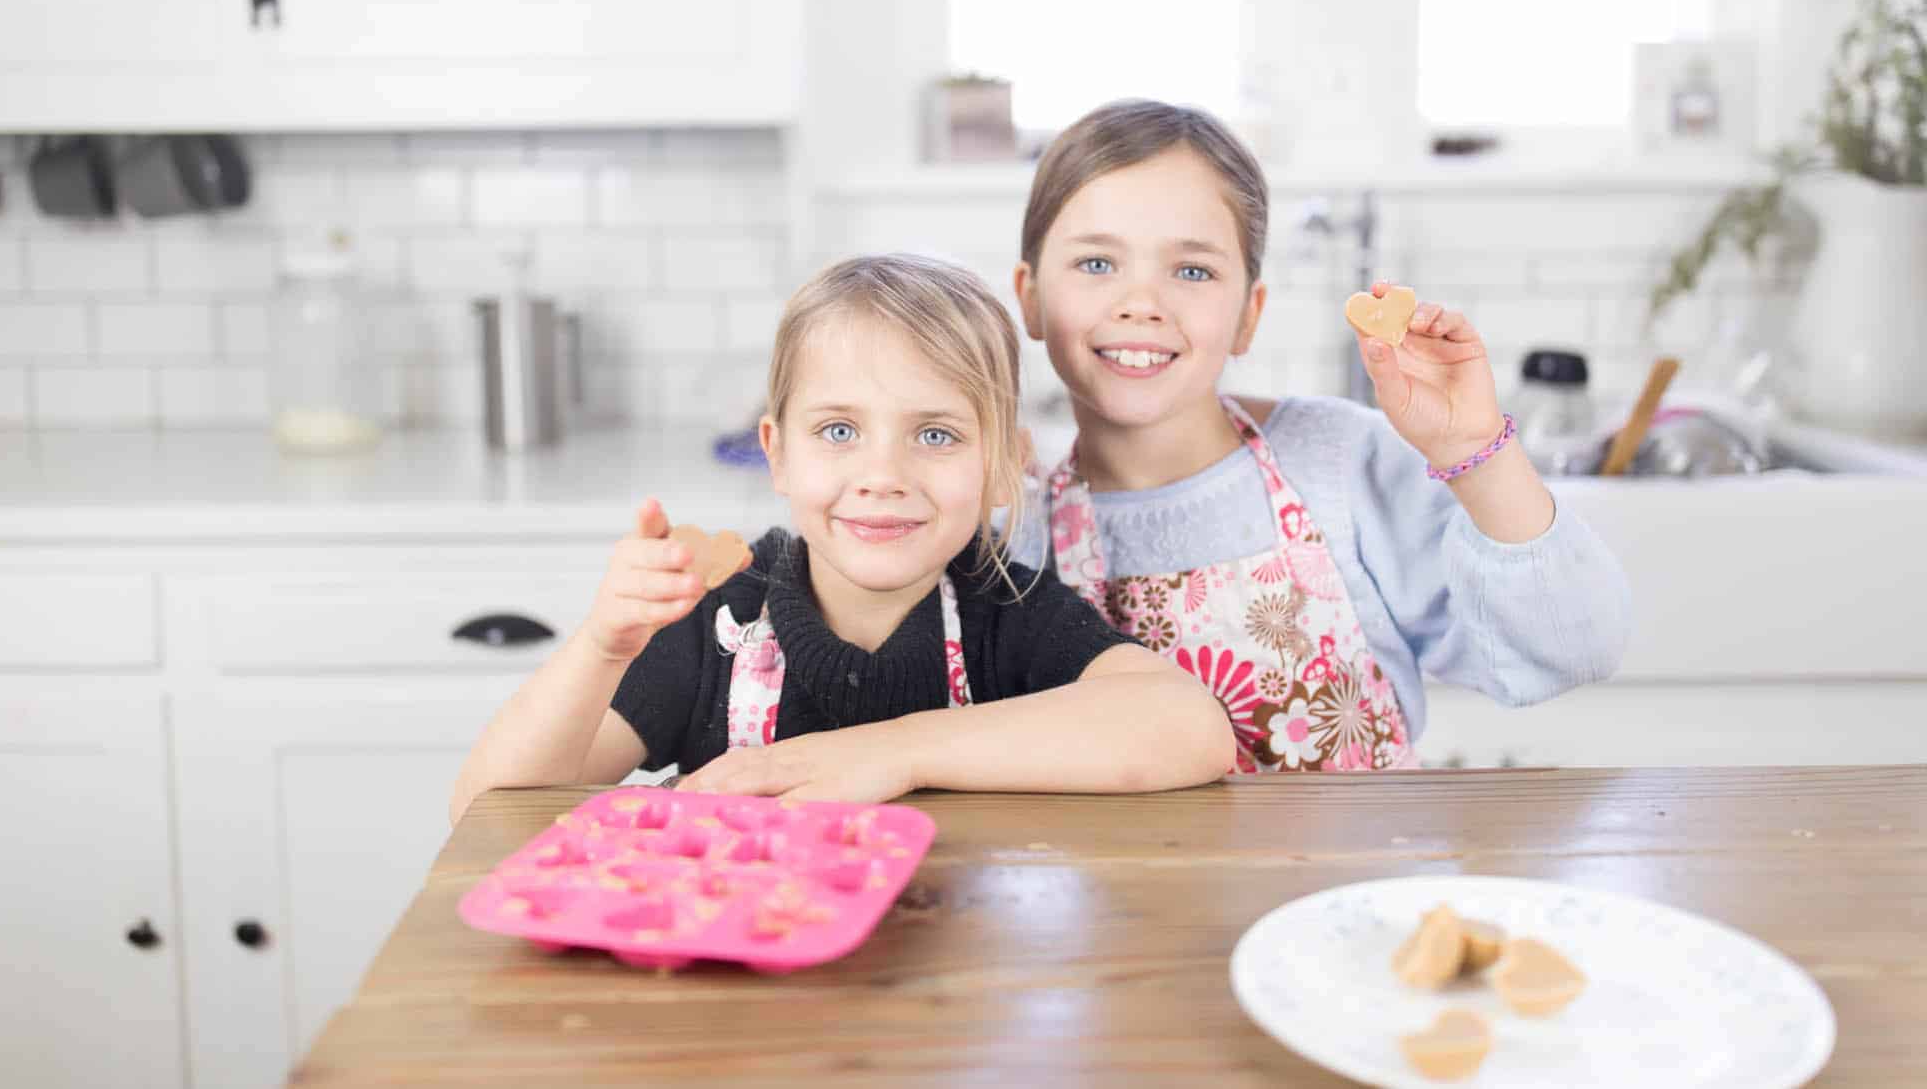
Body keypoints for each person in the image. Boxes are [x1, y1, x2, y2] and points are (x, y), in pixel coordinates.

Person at [449, 253, 1235, 823]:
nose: (882, 473)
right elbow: (493, 813)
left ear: (1003, 469)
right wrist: (600, 648)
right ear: (776, 452)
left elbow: (1191, 730)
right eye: (838, 429)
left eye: (935, 434)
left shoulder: (1012, 612)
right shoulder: (714, 620)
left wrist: (897, 751)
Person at [1006, 99, 1630, 772]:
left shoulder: (1340, 465)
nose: (1142, 303)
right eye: (1097, 264)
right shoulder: (1018, 531)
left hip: (1362, 875)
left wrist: (1472, 450)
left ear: (1250, 315)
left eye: (1192, 271)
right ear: (1031, 297)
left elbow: (1576, 648)